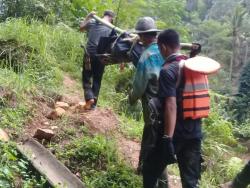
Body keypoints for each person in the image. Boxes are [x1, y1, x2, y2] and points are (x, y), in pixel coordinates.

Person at [157, 29, 203, 188]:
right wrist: (193, 56)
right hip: (195, 131)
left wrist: (167, 138)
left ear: (163, 47)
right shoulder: (193, 65)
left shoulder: (167, 70)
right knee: (190, 181)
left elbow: (171, 105)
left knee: (152, 168)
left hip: (176, 133)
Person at [128, 17, 168, 188]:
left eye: (140, 36)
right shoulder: (167, 52)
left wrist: (131, 99)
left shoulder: (146, 57)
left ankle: (161, 182)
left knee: (154, 145)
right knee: (152, 137)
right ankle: (141, 167)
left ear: (143, 37)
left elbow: (138, 88)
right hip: (170, 108)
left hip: (152, 109)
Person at [80, 10, 115, 110]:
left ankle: (89, 98)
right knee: (97, 79)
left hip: (89, 54)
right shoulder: (112, 28)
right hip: (101, 57)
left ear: (104, 15)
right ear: (112, 18)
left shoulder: (92, 22)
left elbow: (81, 28)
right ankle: (93, 105)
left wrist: (88, 16)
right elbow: (113, 46)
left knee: (86, 77)